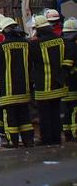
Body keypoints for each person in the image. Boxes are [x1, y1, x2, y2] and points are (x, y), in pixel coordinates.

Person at [0, 17, 34, 147]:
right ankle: (28, 140)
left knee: (10, 117)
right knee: (25, 116)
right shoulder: (27, 45)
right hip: (25, 88)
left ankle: (13, 141)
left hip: (8, 90)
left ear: (4, 32)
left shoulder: (1, 47)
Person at [29, 13, 67, 145]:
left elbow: (30, 62)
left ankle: (46, 139)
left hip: (43, 85)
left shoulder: (35, 44)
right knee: (56, 113)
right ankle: (57, 138)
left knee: (44, 114)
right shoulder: (60, 40)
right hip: (58, 84)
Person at [62, 17, 77, 141]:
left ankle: (67, 131)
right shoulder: (73, 46)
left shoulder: (60, 44)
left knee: (66, 109)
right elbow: (70, 65)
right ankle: (74, 132)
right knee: (74, 108)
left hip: (62, 83)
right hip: (73, 82)